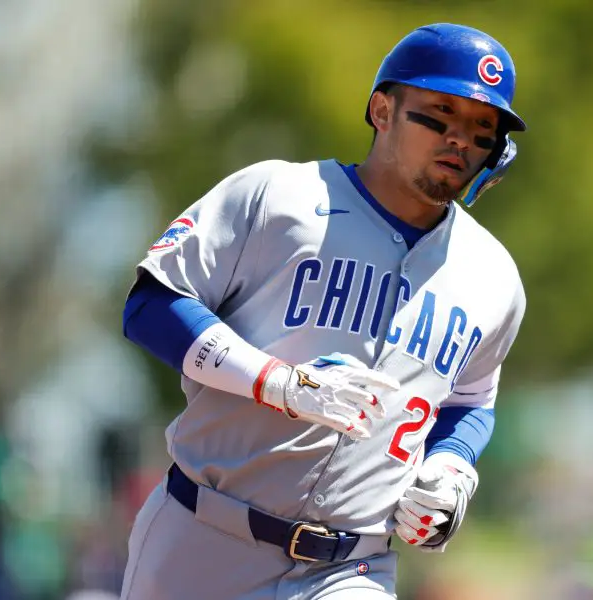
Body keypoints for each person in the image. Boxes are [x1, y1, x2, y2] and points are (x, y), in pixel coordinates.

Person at [119, 22, 527, 600]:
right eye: (440, 114)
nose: (459, 140)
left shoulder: (493, 277)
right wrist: (277, 382)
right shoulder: (279, 196)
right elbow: (152, 304)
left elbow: (472, 400)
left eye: (482, 129)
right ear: (382, 110)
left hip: (351, 569)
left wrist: (454, 467)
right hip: (204, 538)